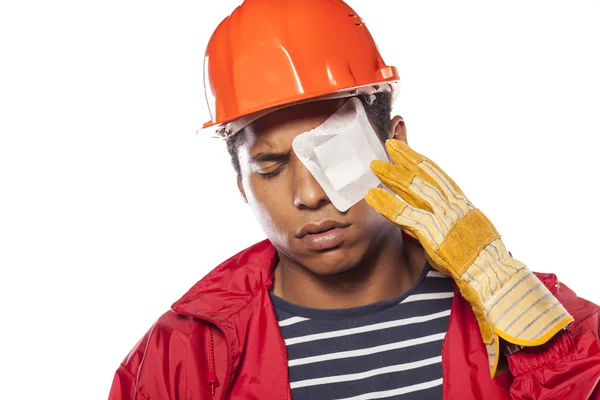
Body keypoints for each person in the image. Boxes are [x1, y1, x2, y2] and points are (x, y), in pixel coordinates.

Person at [109, 0, 600, 398]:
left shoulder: (547, 321)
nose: (309, 194)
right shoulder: (183, 355)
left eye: (336, 154)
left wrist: (541, 345)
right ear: (240, 182)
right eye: (272, 168)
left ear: (396, 145)